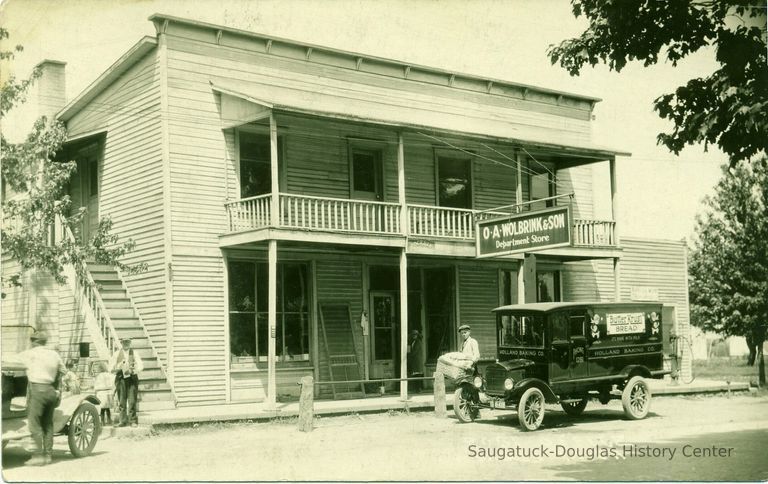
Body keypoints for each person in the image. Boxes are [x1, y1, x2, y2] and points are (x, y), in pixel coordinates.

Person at [16, 331, 66, 466]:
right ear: (45, 341)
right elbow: (63, 370)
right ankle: (48, 455)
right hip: (50, 391)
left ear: (34, 341)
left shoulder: (29, 354)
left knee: (34, 423)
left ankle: (38, 456)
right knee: (48, 424)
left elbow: (12, 361)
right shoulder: (54, 354)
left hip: (37, 391)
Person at [109, 338, 144, 427]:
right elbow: (110, 367)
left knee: (132, 400)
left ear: (130, 343)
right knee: (122, 400)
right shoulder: (117, 354)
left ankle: (132, 421)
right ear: (121, 343)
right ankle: (122, 421)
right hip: (121, 378)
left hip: (132, 378)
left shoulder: (134, 353)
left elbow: (141, 365)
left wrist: (134, 371)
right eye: (124, 342)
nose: (126, 343)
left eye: (128, 342)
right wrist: (117, 367)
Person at [93, 361, 115, 426]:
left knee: (102, 408)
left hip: (101, 393)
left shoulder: (99, 376)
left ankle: (102, 421)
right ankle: (109, 420)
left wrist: (95, 391)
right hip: (108, 392)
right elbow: (113, 381)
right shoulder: (109, 375)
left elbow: (96, 385)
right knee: (107, 408)